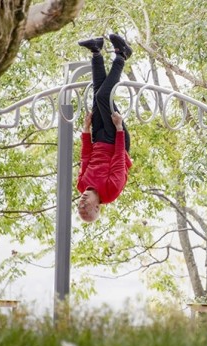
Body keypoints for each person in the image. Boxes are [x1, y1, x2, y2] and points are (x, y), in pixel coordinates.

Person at [76, 34, 133, 223]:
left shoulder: (81, 185)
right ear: (97, 206)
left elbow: (85, 157)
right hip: (115, 140)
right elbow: (118, 160)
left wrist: (85, 130)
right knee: (103, 97)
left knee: (97, 92)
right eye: (86, 206)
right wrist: (119, 129)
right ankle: (122, 55)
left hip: (98, 138)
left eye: (79, 205)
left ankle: (96, 51)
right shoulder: (111, 191)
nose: (82, 201)